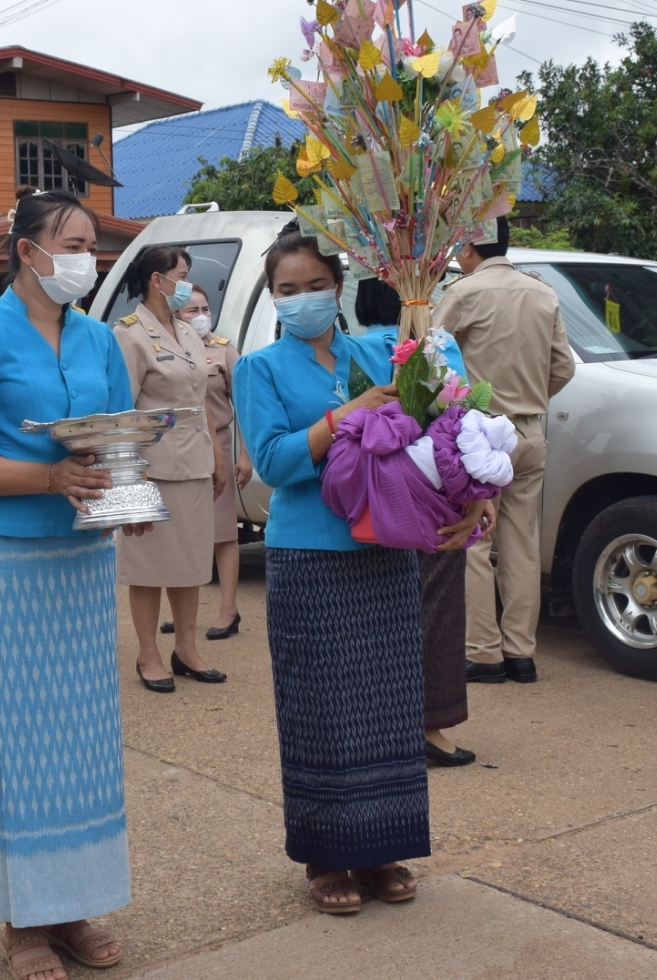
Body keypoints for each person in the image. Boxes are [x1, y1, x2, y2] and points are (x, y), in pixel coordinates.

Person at [235, 230, 485, 917]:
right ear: (274, 298)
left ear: (337, 285)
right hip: (309, 557)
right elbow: (276, 462)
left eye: (314, 284)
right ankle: (326, 855)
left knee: (387, 706)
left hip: (384, 551)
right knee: (321, 709)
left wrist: (422, 315)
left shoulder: (377, 351)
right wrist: (345, 414)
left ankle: (381, 845)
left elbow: (450, 402)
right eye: (287, 290)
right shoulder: (258, 369)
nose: (302, 299)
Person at [0, 189, 138, 979]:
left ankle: (75, 904)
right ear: (28, 250)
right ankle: (20, 919)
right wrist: (47, 477)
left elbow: (118, 442)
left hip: (82, 561)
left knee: (83, 743)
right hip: (6, 561)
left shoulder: (98, 338)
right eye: (74, 242)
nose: (87, 257)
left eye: (93, 244)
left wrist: (131, 499)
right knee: (16, 743)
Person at [435, 216, 573, 684]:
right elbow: (564, 368)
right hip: (529, 433)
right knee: (522, 543)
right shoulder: (542, 293)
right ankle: (521, 652)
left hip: (479, 434)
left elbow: (429, 360)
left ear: (471, 247)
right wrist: (529, 399)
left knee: (473, 540)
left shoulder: (464, 293)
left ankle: (483, 652)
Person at [355, 277, 477, 766]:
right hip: (438, 497)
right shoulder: (439, 345)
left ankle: (381, 725)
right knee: (437, 608)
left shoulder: (356, 349)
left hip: (376, 499)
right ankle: (430, 726)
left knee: (376, 616)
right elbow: (462, 414)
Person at [111, 244, 221, 692]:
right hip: (152, 468)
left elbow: (201, 402)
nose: (188, 285)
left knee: (191, 563)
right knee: (149, 567)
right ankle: (148, 653)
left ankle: (186, 649)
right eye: (181, 274)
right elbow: (121, 410)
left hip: (194, 461)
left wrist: (215, 456)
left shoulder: (188, 330)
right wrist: (127, 478)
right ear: (157, 280)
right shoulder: (131, 333)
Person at [179, 285, 249, 642]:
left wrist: (243, 454)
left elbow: (246, 408)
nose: (201, 315)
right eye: (192, 310)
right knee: (184, 533)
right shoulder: (170, 351)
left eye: (205, 308)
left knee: (223, 534)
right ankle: (183, 612)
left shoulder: (224, 351)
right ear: (177, 313)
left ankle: (228, 610)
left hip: (218, 445)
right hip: (179, 448)